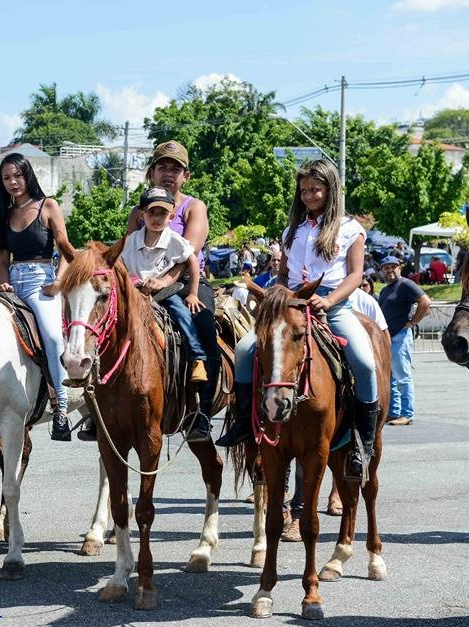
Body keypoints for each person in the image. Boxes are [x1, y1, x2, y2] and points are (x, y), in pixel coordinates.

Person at [217, 159, 379, 484]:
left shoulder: (350, 229)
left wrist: (330, 300)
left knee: (364, 362)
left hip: (332, 305)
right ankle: (245, 424)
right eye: (304, 190)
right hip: (291, 305)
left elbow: (356, 275)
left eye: (315, 190)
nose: (308, 196)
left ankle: (364, 441)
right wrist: (273, 296)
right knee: (247, 350)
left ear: (330, 190)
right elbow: (282, 274)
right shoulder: (292, 230)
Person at [118, 141, 221, 442]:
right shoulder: (140, 211)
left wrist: (164, 282)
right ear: (151, 172)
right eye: (162, 167)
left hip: (187, 282)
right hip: (142, 284)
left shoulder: (193, 206)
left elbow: (190, 252)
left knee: (203, 326)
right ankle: (99, 405)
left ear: (185, 176)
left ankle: (202, 408)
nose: (168, 174)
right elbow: (126, 250)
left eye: (175, 169)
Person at [0, 153, 77, 441]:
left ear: (27, 175)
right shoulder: (4, 214)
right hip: (13, 284)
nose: (13, 182)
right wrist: (3, 285)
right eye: (6, 178)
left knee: (53, 337)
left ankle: (61, 410)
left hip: (43, 283)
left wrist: (58, 282)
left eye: (17, 175)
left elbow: (66, 250)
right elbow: (3, 262)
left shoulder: (47, 206)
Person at [119, 187, 209, 388]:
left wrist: (193, 293)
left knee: (181, 314)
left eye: (162, 213)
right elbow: (120, 266)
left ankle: (197, 357)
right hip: (136, 292)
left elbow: (192, 262)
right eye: (152, 212)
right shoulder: (131, 240)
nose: (157, 218)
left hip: (163, 292)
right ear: (142, 215)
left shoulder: (174, 239)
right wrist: (131, 281)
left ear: (171, 216)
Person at [377, 255, 430, 426]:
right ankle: (394, 412)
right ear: (382, 270)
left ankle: (407, 414)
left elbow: (425, 302)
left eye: (393, 266)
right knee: (391, 377)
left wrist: (412, 322)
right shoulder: (385, 290)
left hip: (400, 335)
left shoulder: (406, 284)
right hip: (388, 338)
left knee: (402, 376)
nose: (390, 270)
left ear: (399, 268)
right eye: (386, 267)